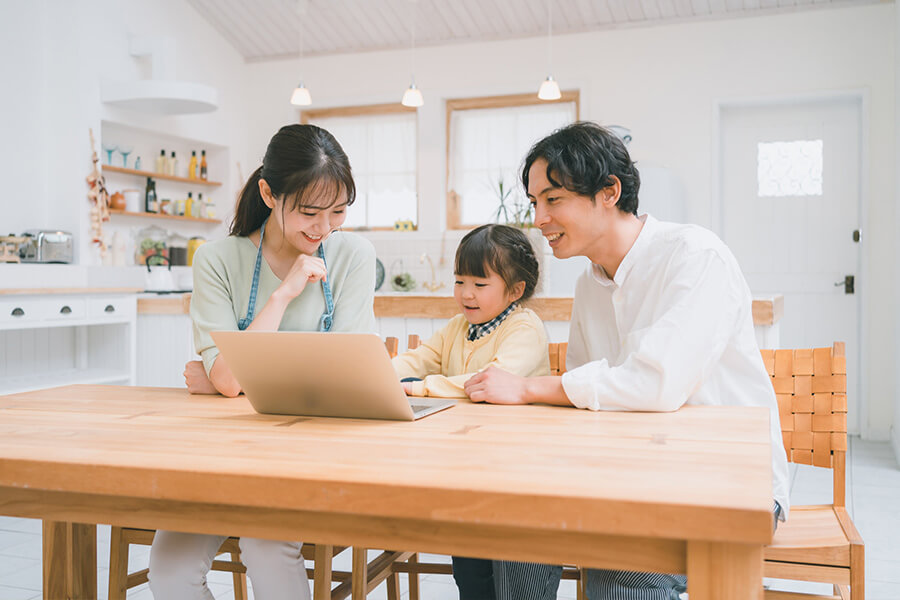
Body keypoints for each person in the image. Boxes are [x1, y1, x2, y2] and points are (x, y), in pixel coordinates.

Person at [463, 122, 790, 600]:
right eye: (535, 203)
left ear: (609, 192)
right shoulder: (588, 284)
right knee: (518, 528)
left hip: (722, 482)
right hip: (627, 472)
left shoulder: (695, 257)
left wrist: (529, 388)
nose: (539, 218)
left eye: (553, 200)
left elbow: (655, 384)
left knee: (621, 561)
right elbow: (583, 395)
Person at [149, 124, 376, 600]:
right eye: (310, 212)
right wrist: (286, 292)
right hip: (220, 454)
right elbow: (231, 379)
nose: (324, 228)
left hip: (310, 454)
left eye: (337, 212)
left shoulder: (352, 254)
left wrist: (230, 376)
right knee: (169, 574)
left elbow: (348, 375)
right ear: (269, 194)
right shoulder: (216, 259)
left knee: (267, 548)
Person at [392, 223, 549, 599]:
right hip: (468, 468)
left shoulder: (524, 327)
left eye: (480, 285)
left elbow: (485, 382)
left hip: (518, 473)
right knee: (470, 571)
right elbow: (418, 358)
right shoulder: (457, 327)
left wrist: (418, 386)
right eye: (460, 281)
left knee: (513, 575)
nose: (466, 293)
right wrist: (374, 372)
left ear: (515, 291)